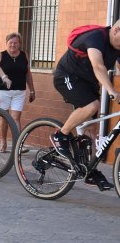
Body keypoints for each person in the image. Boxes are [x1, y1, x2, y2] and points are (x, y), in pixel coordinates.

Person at [50, 21, 120, 191]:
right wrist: (112, 91)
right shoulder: (96, 37)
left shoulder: (117, 45)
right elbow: (98, 65)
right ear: (117, 30)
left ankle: (89, 170)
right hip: (66, 76)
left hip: (87, 83)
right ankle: (60, 134)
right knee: (92, 105)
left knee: (92, 129)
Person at [0, 32, 35, 152]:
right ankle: (3, 143)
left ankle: (17, 145)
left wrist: (32, 90)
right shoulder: (1, 55)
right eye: (10, 42)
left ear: (19, 44)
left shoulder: (24, 55)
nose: (13, 45)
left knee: (16, 118)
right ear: (6, 43)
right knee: (4, 118)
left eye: (16, 43)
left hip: (19, 91)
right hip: (3, 91)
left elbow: (28, 73)